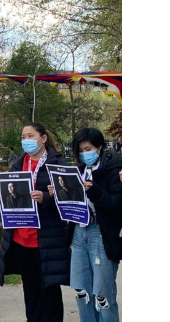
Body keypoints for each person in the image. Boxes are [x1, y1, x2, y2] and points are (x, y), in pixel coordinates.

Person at [0, 123, 70, 322]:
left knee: (50, 289)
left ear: (43, 138)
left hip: (46, 238)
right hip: (20, 237)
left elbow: (69, 198)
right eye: (23, 137)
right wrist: (0, 196)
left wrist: (45, 198)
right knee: (30, 288)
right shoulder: (18, 164)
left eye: (30, 136)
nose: (25, 140)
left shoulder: (58, 163)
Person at [63, 128, 122, 322]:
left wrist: (94, 190)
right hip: (79, 230)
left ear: (99, 147)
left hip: (102, 233)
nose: (83, 154)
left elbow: (116, 204)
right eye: (80, 151)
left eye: (87, 149)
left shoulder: (114, 167)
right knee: (81, 289)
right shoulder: (80, 169)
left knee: (103, 293)